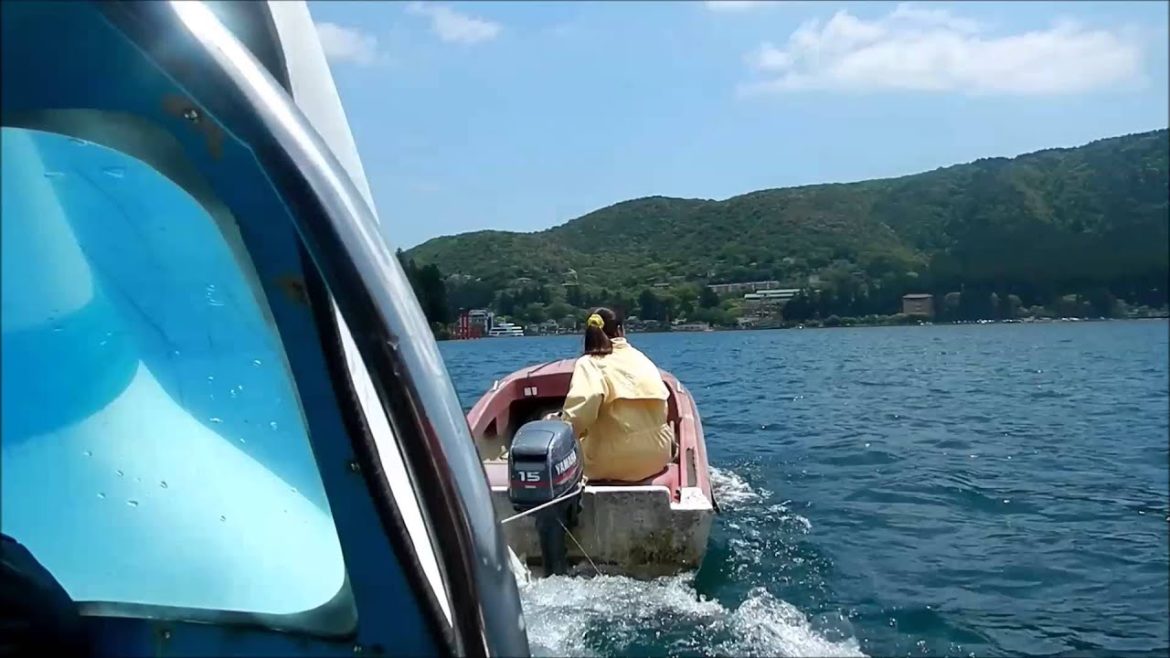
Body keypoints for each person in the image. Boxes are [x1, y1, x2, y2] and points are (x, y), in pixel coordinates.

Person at [553, 307, 674, 482]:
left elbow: (581, 410)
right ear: (621, 330)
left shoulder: (589, 363)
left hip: (611, 462)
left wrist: (562, 433)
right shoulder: (642, 358)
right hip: (658, 456)